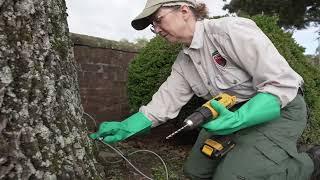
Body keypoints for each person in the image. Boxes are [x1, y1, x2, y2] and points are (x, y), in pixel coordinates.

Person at [89, 0, 320, 179]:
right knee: (195, 172)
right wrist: (125, 127)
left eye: (158, 20)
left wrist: (240, 118)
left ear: (184, 11)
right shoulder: (184, 62)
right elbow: (162, 106)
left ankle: (310, 161)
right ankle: (251, 153)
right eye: (153, 26)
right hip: (232, 114)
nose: (157, 29)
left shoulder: (230, 30)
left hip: (280, 109)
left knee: (233, 177)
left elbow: (282, 84)